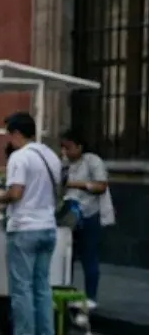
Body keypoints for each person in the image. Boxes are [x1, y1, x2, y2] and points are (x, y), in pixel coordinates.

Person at [0, 111, 62, 335]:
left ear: (15, 134)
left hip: (24, 227)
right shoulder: (51, 156)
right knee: (43, 288)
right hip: (48, 225)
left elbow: (15, 192)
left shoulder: (20, 157)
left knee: (21, 289)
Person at [60, 128, 109, 308]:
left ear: (80, 146)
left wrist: (74, 184)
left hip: (89, 214)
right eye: (63, 148)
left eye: (69, 148)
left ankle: (91, 296)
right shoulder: (65, 164)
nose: (65, 152)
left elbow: (101, 186)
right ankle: (66, 293)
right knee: (66, 257)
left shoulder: (92, 161)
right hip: (69, 215)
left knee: (89, 257)